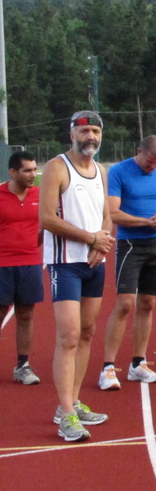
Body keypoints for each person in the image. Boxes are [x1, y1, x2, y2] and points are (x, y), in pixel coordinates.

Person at [40, 110, 115, 442]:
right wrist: (90, 238)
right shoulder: (57, 167)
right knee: (68, 336)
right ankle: (66, 415)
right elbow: (46, 219)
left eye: (96, 131)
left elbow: (106, 215)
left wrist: (104, 242)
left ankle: (71, 402)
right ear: (71, 134)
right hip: (64, 263)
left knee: (86, 333)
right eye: (85, 131)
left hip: (93, 264)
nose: (91, 137)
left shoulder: (100, 170)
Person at [98, 136, 156, 391]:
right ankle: (108, 368)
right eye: (149, 162)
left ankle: (138, 364)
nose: (152, 167)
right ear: (138, 151)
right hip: (131, 245)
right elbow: (114, 213)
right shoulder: (119, 171)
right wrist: (146, 222)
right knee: (124, 304)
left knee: (148, 303)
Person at [0, 151, 44, 385]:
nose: (33, 174)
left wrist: (28, 247)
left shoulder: (40, 195)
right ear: (13, 172)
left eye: (34, 169)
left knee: (26, 315)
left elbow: (44, 227)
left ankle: (23, 366)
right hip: (1, 264)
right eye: (27, 170)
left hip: (29, 263)